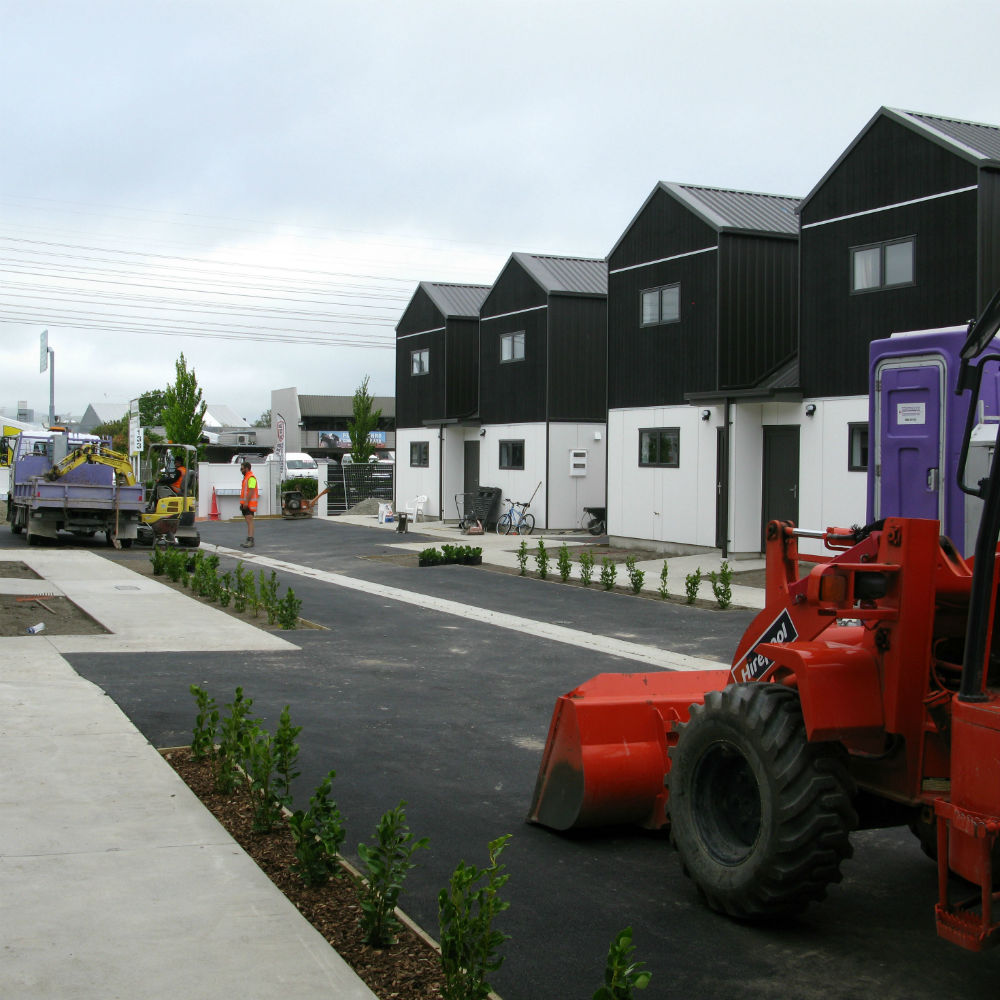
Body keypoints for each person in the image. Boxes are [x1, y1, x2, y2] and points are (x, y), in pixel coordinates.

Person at [239, 459, 258, 548]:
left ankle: (250, 540)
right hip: (247, 504)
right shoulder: (247, 478)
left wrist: (246, 502)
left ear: (247, 468)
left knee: (249, 521)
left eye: (242, 469)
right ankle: (249, 539)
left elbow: (251, 491)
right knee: (248, 521)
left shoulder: (251, 478)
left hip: (249, 505)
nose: (241, 470)